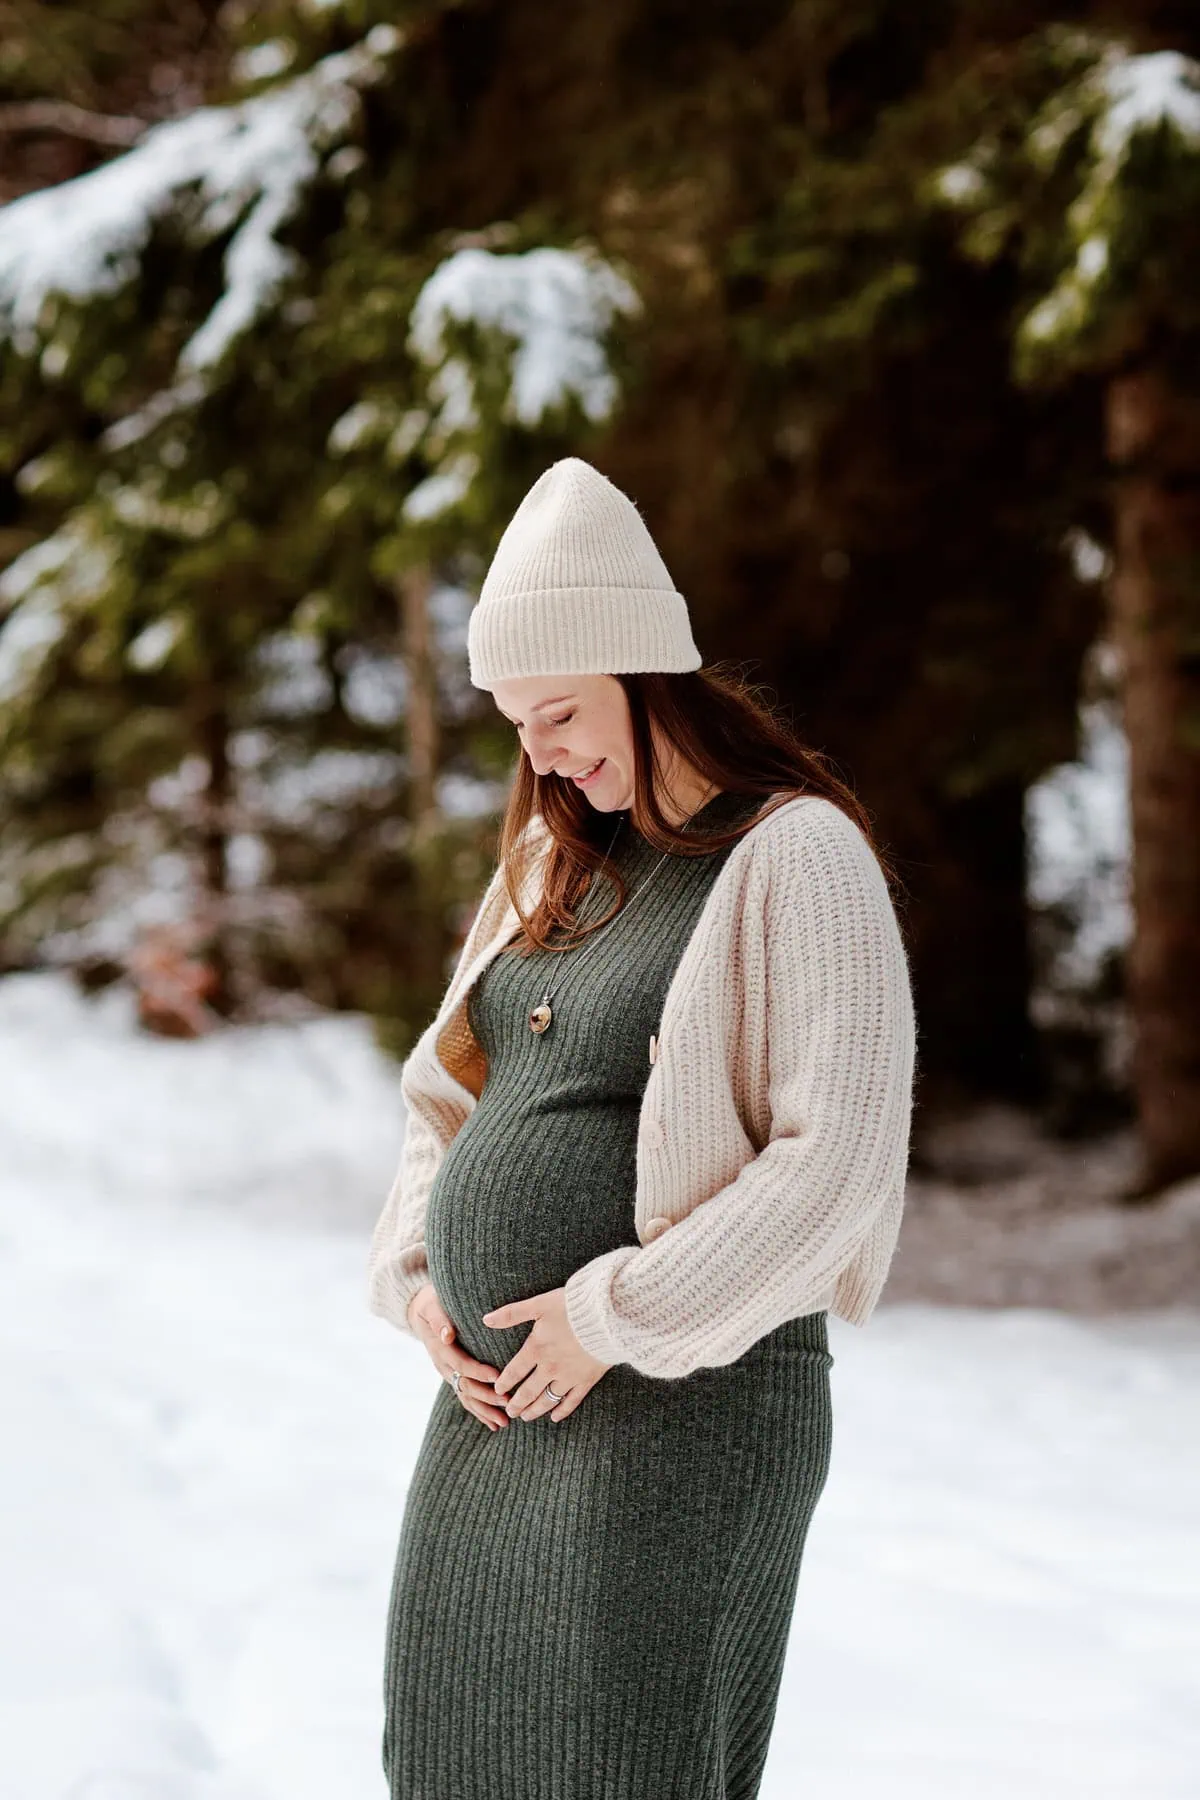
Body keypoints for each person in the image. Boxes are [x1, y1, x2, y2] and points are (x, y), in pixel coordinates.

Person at [367, 456, 918, 1799]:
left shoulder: (797, 856)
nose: (540, 752)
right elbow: (450, 1097)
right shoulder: (553, 862)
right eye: (517, 724)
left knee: (620, 1768)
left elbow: (837, 1164)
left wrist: (608, 1315)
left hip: (685, 1416)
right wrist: (425, 1281)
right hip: (498, 1419)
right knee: (448, 1758)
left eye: (558, 712)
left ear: (643, 670)